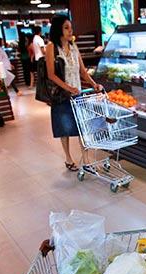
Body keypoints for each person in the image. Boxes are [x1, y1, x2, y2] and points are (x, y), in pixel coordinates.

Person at [45, 15, 102, 171]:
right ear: (58, 29)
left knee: (82, 127)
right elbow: (51, 75)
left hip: (78, 95)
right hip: (61, 95)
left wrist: (94, 84)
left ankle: (86, 159)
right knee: (64, 128)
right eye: (66, 27)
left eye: (70, 27)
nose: (70, 31)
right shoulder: (51, 47)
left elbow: (83, 72)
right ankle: (68, 158)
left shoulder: (74, 46)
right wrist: (68, 88)